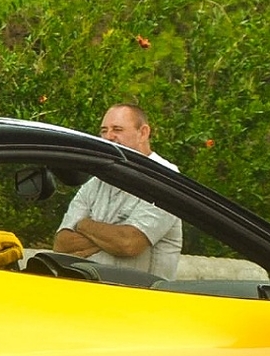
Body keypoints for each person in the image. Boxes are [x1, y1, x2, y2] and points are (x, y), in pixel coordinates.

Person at [53, 103, 182, 279]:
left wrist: (84, 225)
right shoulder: (98, 181)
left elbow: (128, 243)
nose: (109, 137)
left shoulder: (165, 178)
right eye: (104, 131)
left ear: (143, 133)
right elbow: (62, 244)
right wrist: (111, 238)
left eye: (117, 129)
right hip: (94, 297)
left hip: (142, 299)